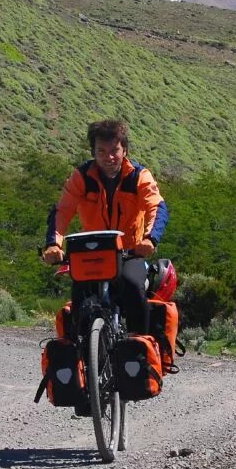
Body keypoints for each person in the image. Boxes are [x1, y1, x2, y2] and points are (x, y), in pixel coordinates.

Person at [41, 119, 168, 331]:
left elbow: (156, 207)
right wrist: (54, 244)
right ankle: (80, 357)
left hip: (129, 253)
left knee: (133, 287)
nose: (109, 157)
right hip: (92, 253)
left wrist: (149, 239)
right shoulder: (81, 177)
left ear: (124, 150)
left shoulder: (139, 176)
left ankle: (140, 350)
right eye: (101, 151)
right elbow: (62, 211)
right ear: (93, 152)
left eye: (114, 150)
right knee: (79, 299)